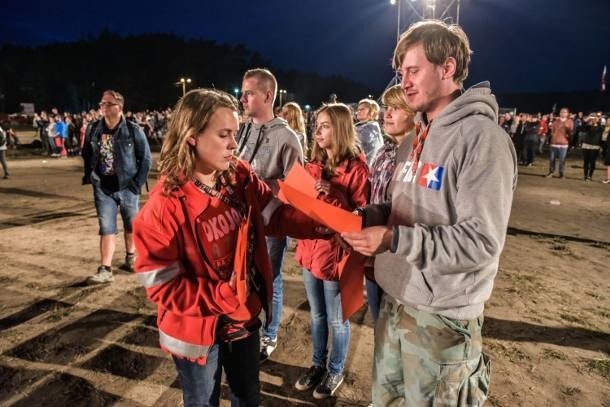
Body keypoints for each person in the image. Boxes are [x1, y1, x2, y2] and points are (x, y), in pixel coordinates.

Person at [341, 20, 517, 406]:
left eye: (413, 70)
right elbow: (402, 206)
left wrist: (393, 238)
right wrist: (368, 215)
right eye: (401, 72)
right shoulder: (416, 136)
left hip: (442, 318)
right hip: (396, 300)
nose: (403, 81)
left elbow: (481, 241)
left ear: (447, 67)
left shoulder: (483, 140)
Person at [132, 88, 324, 406]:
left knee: (248, 396)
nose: (234, 144)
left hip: (243, 320)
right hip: (195, 333)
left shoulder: (238, 175)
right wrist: (221, 295)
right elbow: (161, 286)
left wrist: (319, 223)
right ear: (192, 136)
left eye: (235, 134)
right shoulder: (164, 205)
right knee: (202, 400)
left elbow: (273, 215)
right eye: (224, 135)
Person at [293, 103, 370, 399]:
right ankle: (316, 365)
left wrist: (334, 194)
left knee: (338, 319)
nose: (318, 130)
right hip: (310, 252)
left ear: (339, 128)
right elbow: (302, 207)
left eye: (325, 125)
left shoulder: (357, 169)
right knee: (317, 316)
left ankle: (335, 369)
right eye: (317, 125)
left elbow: (361, 217)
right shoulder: (312, 163)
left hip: (337, 258)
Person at [236, 68, 304, 362]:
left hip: (269, 225)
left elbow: (296, 187)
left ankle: (270, 333)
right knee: (244, 275)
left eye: (249, 93)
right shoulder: (245, 129)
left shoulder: (287, 137)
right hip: (240, 220)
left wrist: (267, 211)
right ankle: (247, 325)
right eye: (242, 92)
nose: (243, 98)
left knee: (270, 278)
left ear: (267, 95)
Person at [82, 90, 152, 284]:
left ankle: (131, 257)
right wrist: (94, 178)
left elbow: (146, 160)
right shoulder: (94, 128)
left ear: (119, 107)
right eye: (102, 103)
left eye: (108, 103)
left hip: (127, 187)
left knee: (131, 225)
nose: (103, 107)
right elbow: (87, 154)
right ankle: (105, 269)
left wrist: (135, 185)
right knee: (106, 227)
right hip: (103, 188)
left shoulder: (132, 129)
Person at [365, 85, 415, 322]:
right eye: (386, 107)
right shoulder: (382, 153)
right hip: (376, 250)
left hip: (403, 252)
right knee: (379, 323)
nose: (388, 113)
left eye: (397, 108)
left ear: (413, 113)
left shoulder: (419, 155)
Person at [546, 107, 574, 179]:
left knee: (562, 160)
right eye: (562, 112)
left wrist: (569, 133)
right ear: (560, 113)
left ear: (567, 113)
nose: (563, 113)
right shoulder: (555, 121)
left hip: (564, 144)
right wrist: (550, 129)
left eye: (565, 112)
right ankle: (551, 172)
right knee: (552, 159)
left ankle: (561, 173)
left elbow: (571, 132)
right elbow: (551, 131)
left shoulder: (570, 121)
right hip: (554, 143)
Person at [355, 98, 384, 165]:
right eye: (358, 109)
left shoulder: (372, 127)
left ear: (372, 111)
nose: (358, 111)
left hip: (368, 169)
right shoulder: (362, 125)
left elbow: (352, 139)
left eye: (362, 109)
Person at [581, 114, 603, 181]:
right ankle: (585, 175)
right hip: (586, 146)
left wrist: (601, 147)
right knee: (586, 162)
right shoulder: (588, 126)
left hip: (595, 147)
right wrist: (586, 120)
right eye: (593, 118)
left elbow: (600, 135)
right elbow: (582, 128)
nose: (594, 119)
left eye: (596, 118)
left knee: (592, 162)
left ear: (599, 120)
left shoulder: (601, 127)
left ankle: (590, 176)